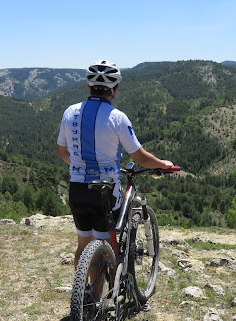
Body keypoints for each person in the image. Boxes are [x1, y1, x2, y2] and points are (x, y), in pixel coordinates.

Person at [57, 59, 174, 269]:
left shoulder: (70, 112)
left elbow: (62, 153)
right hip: (105, 191)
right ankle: (97, 298)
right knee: (103, 245)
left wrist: (81, 166)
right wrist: (163, 164)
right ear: (116, 88)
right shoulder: (117, 118)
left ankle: (82, 296)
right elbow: (141, 157)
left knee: (83, 245)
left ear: (88, 86)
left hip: (77, 189)